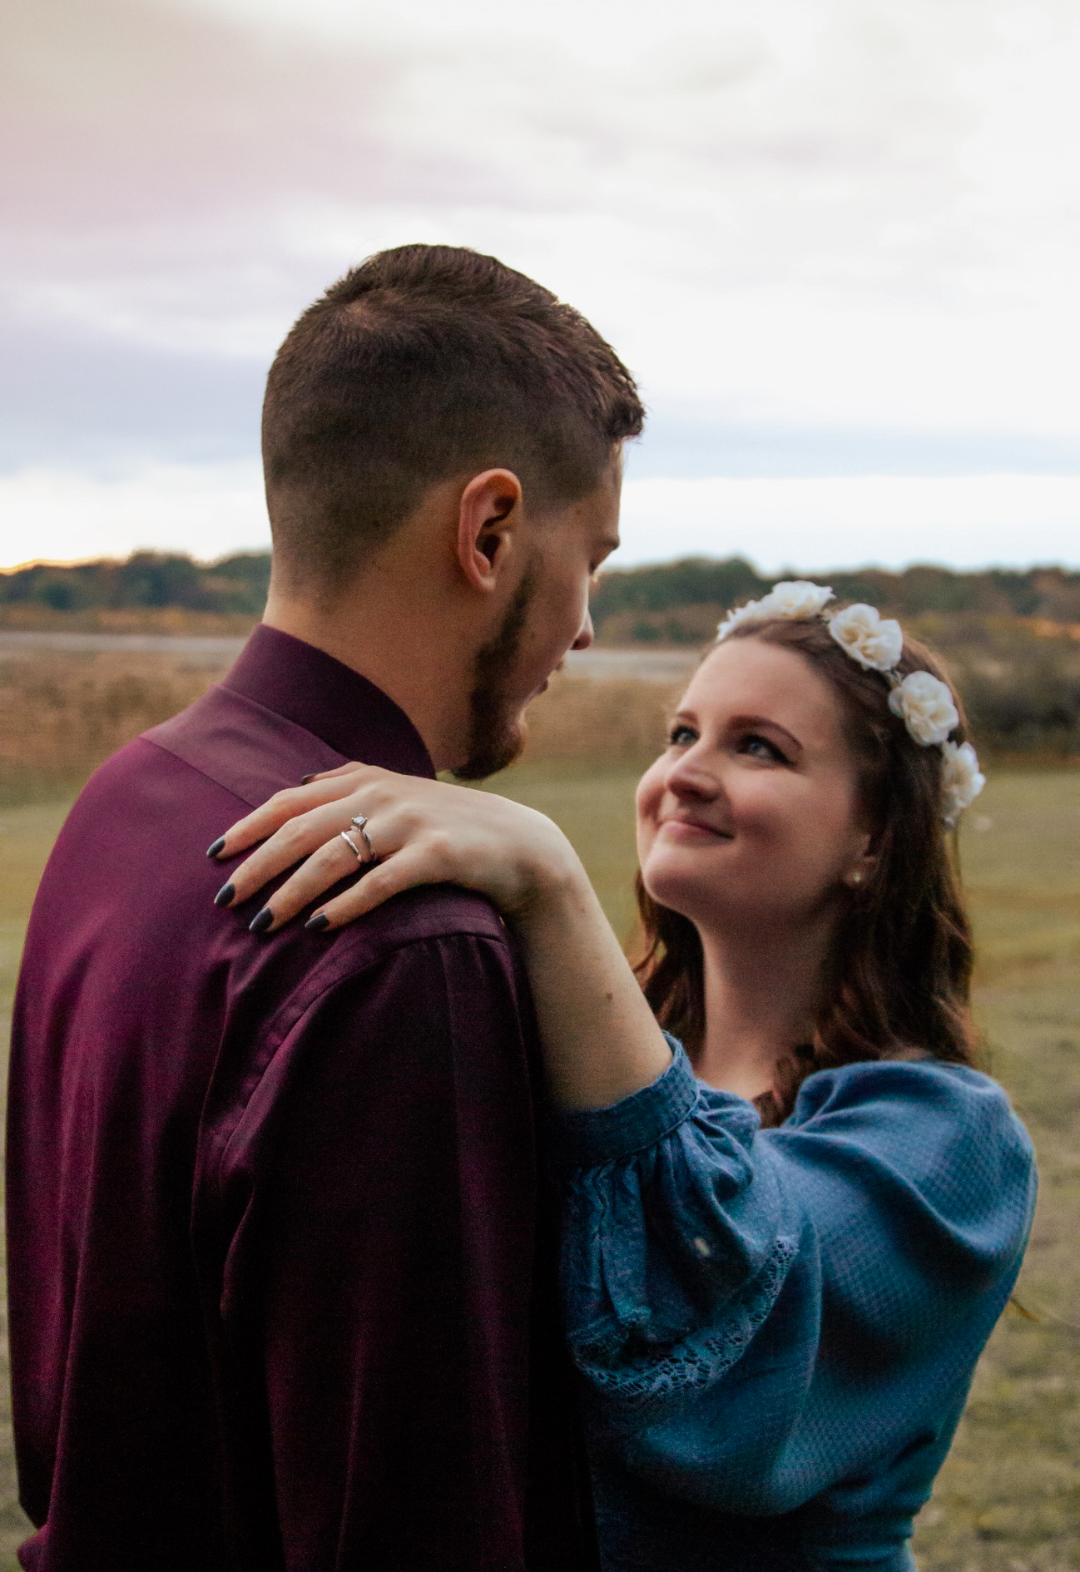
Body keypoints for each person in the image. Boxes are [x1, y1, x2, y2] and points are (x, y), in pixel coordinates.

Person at [7, 243, 643, 1570]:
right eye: (593, 559)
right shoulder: (403, 937)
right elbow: (420, 1519)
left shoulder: (126, 803)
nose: (585, 628)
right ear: (489, 529)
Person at [208, 581, 1037, 1572]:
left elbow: (727, 1348)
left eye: (758, 745)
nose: (686, 771)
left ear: (876, 838)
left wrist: (551, 885)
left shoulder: (950, 1142)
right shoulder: (579, 1053)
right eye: (681, 732)